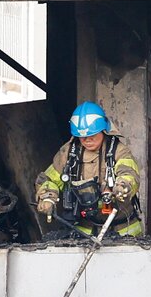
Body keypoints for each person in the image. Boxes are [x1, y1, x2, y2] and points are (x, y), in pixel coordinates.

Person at [36, 101, 143, 238]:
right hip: (83, 230)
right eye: (82, 137)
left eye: (92, 135)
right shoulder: (69, 153)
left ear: (103, 130)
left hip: (122, 229)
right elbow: (50, 179)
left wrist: (123, 186)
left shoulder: (118, 150)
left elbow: (129, 173)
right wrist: (47, 196)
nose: (87, 140)